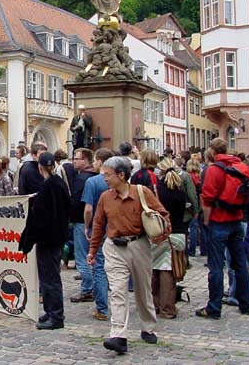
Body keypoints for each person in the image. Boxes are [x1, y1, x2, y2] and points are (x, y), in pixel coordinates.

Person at [87, 156, 170, 354]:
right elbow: (98, 224)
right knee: (117, 291)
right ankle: (118, 335)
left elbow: (163, 214)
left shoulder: (142, 192)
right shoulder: (105, 198)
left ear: (121, 175)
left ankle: (148, 326)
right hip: (114, 248)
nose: (104, 178)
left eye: (107, 175)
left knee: (143, 289)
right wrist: (92, 250)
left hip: (139, 245)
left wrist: (162, 235)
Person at [196, 138, 249, 319]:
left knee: (216, 266)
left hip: (219, 221)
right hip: (236, 219)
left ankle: (214, 307)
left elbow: (208, 198)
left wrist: (206, 221)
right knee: (240, 264)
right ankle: (246, 302)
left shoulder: (214, 170)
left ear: (212, 151)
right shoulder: (239, 165)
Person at [19, 152, 71, 330]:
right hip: (55, 237)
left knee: (50, 278)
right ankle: (50, 311)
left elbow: (41, 217)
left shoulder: (50, 186)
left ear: (40, 167)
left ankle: (56, 316)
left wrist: (30, 238)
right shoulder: (58, 183)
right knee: (49, 277)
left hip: (48, 239)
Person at [82, 148, 114, 321]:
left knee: (99, 267)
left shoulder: (92, 182)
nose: (93, 164)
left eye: (95, 161)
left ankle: (102, 308)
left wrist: (87, 227)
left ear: (101, 161)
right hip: (115, 228)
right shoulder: (117, 180)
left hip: (99, 228)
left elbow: (88, 209)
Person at [153, 157, 187, 320]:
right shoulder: (179, 190)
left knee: (155, 269)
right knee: (169, 271)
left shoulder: (157, 190)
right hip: (179, 232)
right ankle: (168, 307)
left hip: (160, 232)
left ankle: (156, 305)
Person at [69, 148, 97, 304]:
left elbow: (79, 204)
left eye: (77, 158)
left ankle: (87, 289)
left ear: (86, 160)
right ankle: (94, 287)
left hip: (82, 221)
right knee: (95, 257)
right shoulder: (97, 177)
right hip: (96, 223)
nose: (74, 160)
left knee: (82, 257)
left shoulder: (82, 179)